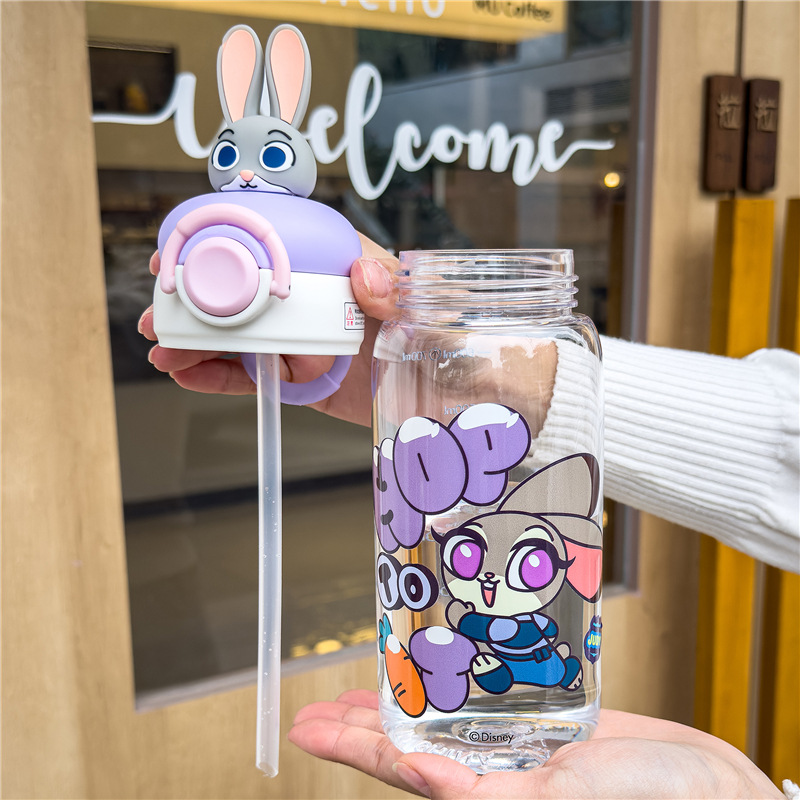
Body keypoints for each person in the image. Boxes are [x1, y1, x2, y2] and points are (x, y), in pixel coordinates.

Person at [139, 237, 799, 799]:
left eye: (530, 566)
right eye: (466, 556)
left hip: (548, 701)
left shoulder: (569, 341)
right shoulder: (402, 345)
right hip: (443, 707)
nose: (486, 579)